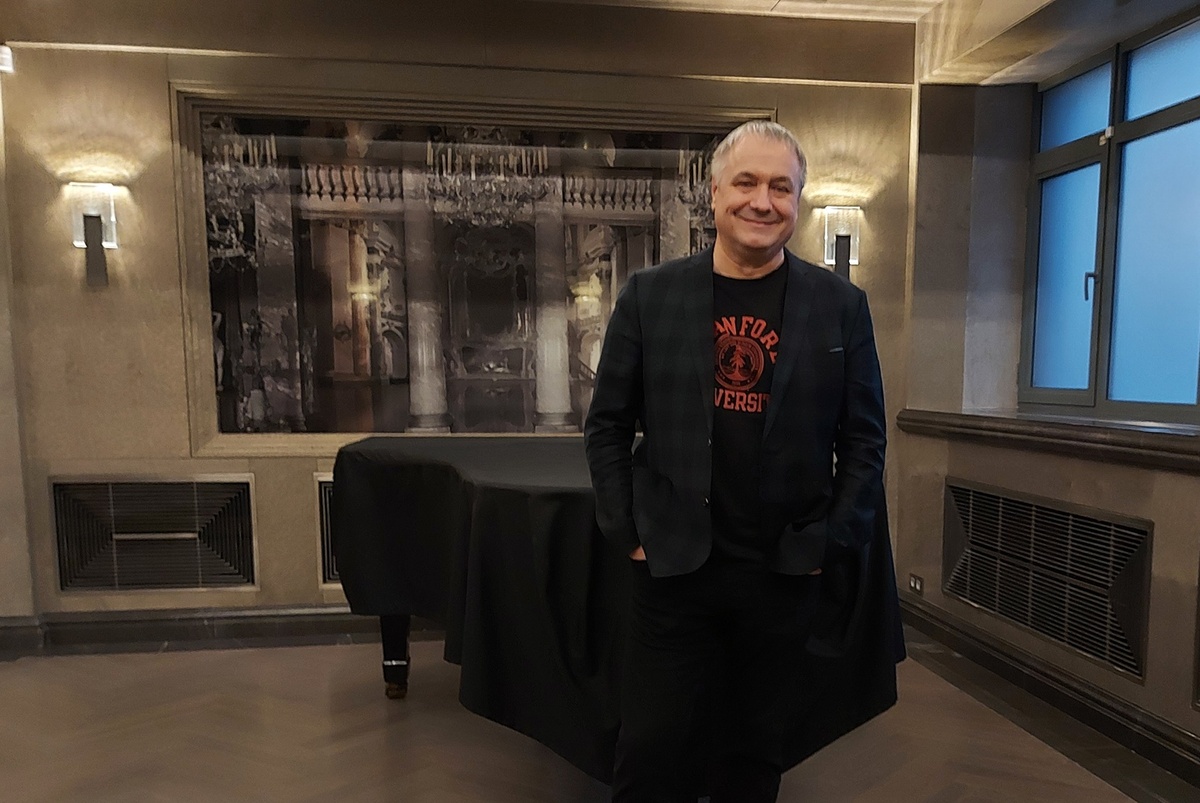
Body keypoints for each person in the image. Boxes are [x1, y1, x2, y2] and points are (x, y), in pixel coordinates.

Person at [584, 120, 894, 802]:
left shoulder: (841, 307)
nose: (762, 200)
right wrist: (628, 532)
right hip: (673, 567)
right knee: (650, 750)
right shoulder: (649, 295)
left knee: (753, 755)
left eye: (781, 187)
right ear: (714, 192)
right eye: (747, 182)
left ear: (798, 200)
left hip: (783, 570)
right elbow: (606, 425)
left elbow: (865, 440)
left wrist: (831, 541)